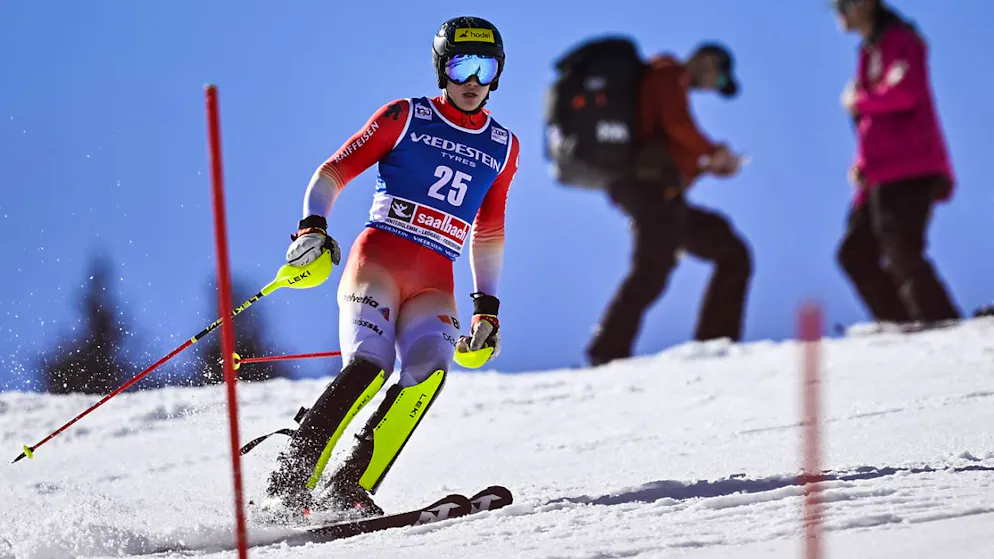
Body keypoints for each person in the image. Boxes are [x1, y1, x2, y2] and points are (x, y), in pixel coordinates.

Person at [262, 15, 519, 520]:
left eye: (484, 68)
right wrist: (312, 227)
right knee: (369, 367)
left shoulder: (504, 146)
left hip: (435, 278)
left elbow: (488, 230)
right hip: (380, 257)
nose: (471, 81)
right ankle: (288, 483)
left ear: (497, 74)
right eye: (461, 66)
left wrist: (486, 307)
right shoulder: (405, 115)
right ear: (442, 68)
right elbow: (332, 171)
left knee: (427, 374)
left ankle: (347, 487)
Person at [584, 42, 752, 366]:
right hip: (652, 193)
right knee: (652, 270)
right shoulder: (669, 74)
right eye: (718, 79)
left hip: (661, 194)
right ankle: (605, 352)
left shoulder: (667, 81)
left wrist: (708, 165)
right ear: (706, 59)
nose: (712, 86)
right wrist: (713, 151)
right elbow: (676, 123)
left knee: (730, 250)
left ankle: (714, 342)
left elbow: (673, 151)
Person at [833, 0, 961, 328]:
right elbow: (870, 126)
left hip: (911, 166)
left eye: (845, 3)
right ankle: (902, 322)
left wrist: (858, 100)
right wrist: (861, 164)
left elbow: (905, 93)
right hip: (879, 173)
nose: (839, 11)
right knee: (854, 252)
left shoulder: (900, 40)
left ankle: (941, 322)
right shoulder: (868, 51)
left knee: (901, 247)